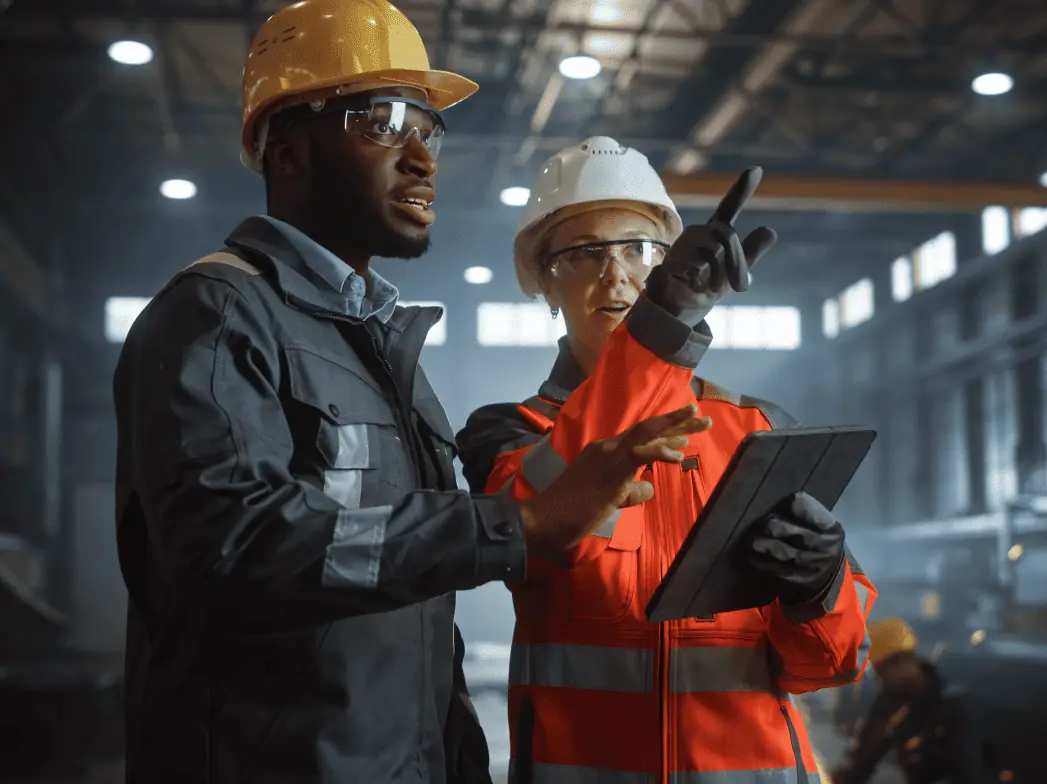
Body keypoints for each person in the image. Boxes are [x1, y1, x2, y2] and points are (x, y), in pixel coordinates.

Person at [111, 4, 706, 783]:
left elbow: (414, 607)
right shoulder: (218, 317)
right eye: (383, 123)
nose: (421, 157)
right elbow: (236, 546)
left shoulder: (384, 351)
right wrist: (516, 523)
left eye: (428, 130)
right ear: (286, 151)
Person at [456, 137, 877, 782]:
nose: (617, 274)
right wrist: (665, 321)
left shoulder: (755, 430)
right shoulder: (511, 435)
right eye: (586, 253)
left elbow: (826, 665)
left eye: (640, 250)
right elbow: (536, 530)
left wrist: (820, 589)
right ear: (543, 280)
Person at [831, 618, 981, 784]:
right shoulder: (890, 703)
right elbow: (864, 756)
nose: (879, 680)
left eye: (879, 671)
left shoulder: (952, 705)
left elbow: (968, 771)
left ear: (901, 659)